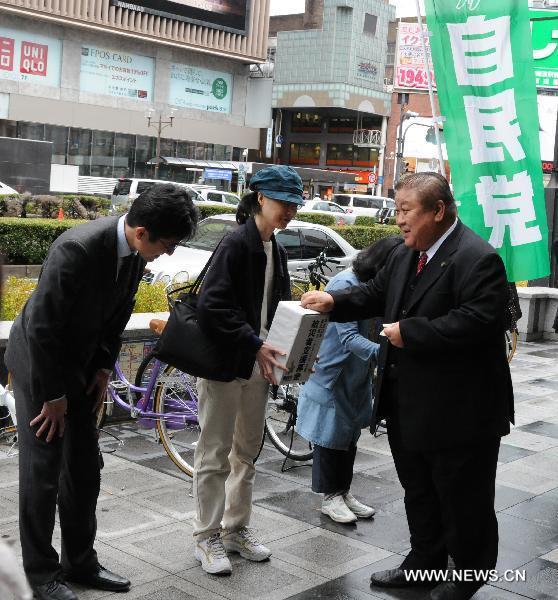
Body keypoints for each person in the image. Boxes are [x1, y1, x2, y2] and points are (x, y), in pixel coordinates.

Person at [301, 172, 513, 600]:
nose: (397, 220)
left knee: (462, 498)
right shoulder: (404, 253)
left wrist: (410, 333)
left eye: (405, 210)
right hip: (408, 402)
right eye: (396, 209)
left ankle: (468, 575)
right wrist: (334, 302)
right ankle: (424, 564)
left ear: (438, 210)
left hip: (460, 410)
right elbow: (377, 294)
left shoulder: (478, 257)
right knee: (418, 490)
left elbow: (479, 321)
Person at [5, 184, 198, 600]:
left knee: (83, 470)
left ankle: (80, 562)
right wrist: (52, 396)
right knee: (43, 474)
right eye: (167, 245)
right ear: (142, 231)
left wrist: (104, 367)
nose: (169, 255)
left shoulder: (131, 254)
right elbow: (41, 328)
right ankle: (40, 575)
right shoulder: (77, 249)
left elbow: (118, 314)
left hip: (81, 366)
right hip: (42, 368)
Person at [192, 165, 302, 575]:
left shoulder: (276, 247)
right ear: (260, 198)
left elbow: (278, 307)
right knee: (215, 453)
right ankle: (206, 537)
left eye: (293, 204)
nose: (289, 211)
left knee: (246, 453)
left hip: (258, 365)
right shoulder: (236, 243)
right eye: (283, 203)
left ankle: (236, 529)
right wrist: (256, 343)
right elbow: (212, 306)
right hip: (227, 365)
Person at [296, 236, 403, 524]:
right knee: (329, 437)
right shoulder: (345, 284)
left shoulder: (370, 287)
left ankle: (343, 492)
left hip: (356, 374)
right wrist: (386, 353)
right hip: (334, 374)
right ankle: (329, 497)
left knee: (349, 435)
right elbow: (348, 339)